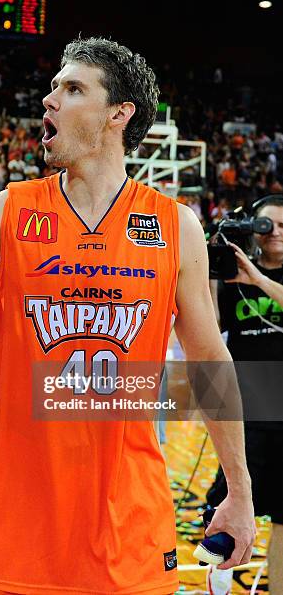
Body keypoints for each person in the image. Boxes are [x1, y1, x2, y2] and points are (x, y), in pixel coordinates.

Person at [0, 38, 256, 595]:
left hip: (134, 537)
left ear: (118, 114)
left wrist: (240, 492)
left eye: (72, 88)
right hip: (17, 538)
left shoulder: (175, 226)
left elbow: (209, 364)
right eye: (53, 86)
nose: (49, 99)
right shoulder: (12, 209)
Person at [207, 196, 283, 593]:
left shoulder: (257, 278)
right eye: (270, 226)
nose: (278, 234)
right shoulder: (228, 278)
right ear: (254, 229)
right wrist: (208, 266)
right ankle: (215, 585)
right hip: (247, 412)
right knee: (225, 506)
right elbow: (205, 329)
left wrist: (257, 278)